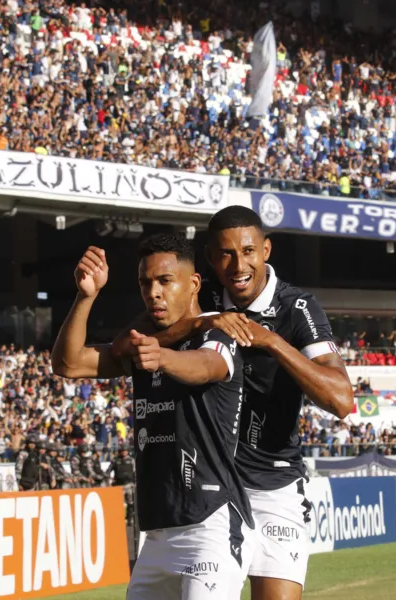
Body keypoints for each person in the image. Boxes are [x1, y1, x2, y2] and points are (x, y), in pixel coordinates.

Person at [114, 207, 353, 600]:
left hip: (272, 485)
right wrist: (200, 322)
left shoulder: (297, 308)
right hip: (211, 492)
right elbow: (130, 344)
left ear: (266, 250)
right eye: (225, 253)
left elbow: (342, 400)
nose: (238, 265)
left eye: (248, 251)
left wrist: (273, 342)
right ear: (210, 257)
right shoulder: (198, 295)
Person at [52, 234, 253, 600]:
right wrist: (87, 296)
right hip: (157, 534)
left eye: (164, 281)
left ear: (193, 284)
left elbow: (206, 367)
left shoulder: (217, 328)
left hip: (210, 524)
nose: (153, 292)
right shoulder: (148, 342)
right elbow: (68, 363)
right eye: (145, 283)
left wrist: (160, 357)